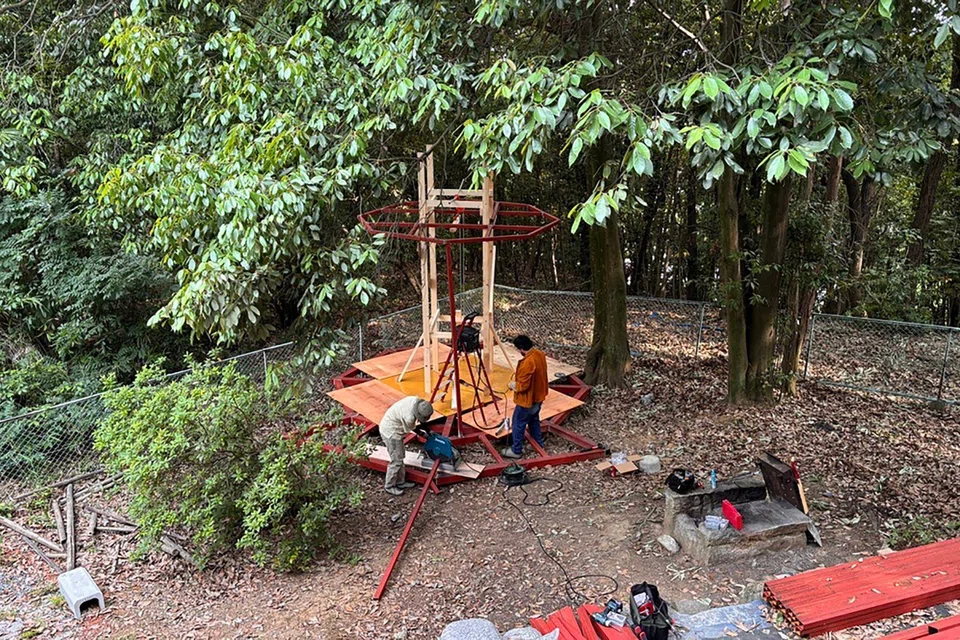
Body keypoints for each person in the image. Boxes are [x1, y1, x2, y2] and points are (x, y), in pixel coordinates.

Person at [501, 335, 548, 459]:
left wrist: (513, 385)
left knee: (518, 423)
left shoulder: (528, 362)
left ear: (521, 348)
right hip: (538, 397)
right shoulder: (539, 354)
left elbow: (523, 386)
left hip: (528, 400)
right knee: (534, 420)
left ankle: (516, 450)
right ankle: (538, 444)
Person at [379, 396, 434, 495]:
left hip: (391, 424)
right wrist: (424, 434)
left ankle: (400, 482)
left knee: (400, 457)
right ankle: (389, 486)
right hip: (390, 432)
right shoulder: (409, 418)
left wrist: (429, 431)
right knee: (396, 460)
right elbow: (414, 429)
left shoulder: (416, 401)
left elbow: (421, 421)